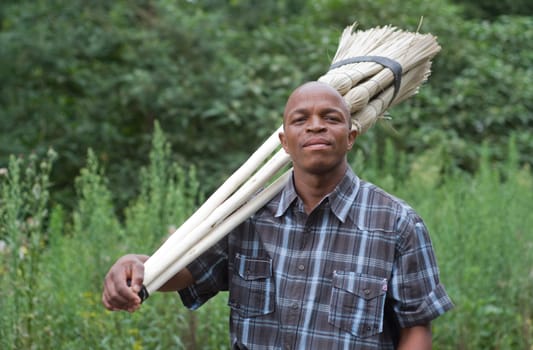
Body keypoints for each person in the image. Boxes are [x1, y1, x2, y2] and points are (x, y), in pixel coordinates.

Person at [102, 81, 453, 349]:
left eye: (331, 118)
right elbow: (184, 270)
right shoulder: (244, 216)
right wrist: (136, 266)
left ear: (351, 136)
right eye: (301, 120)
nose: (316, 126)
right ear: (284, 142)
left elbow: (416, 326)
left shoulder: (396, 223)